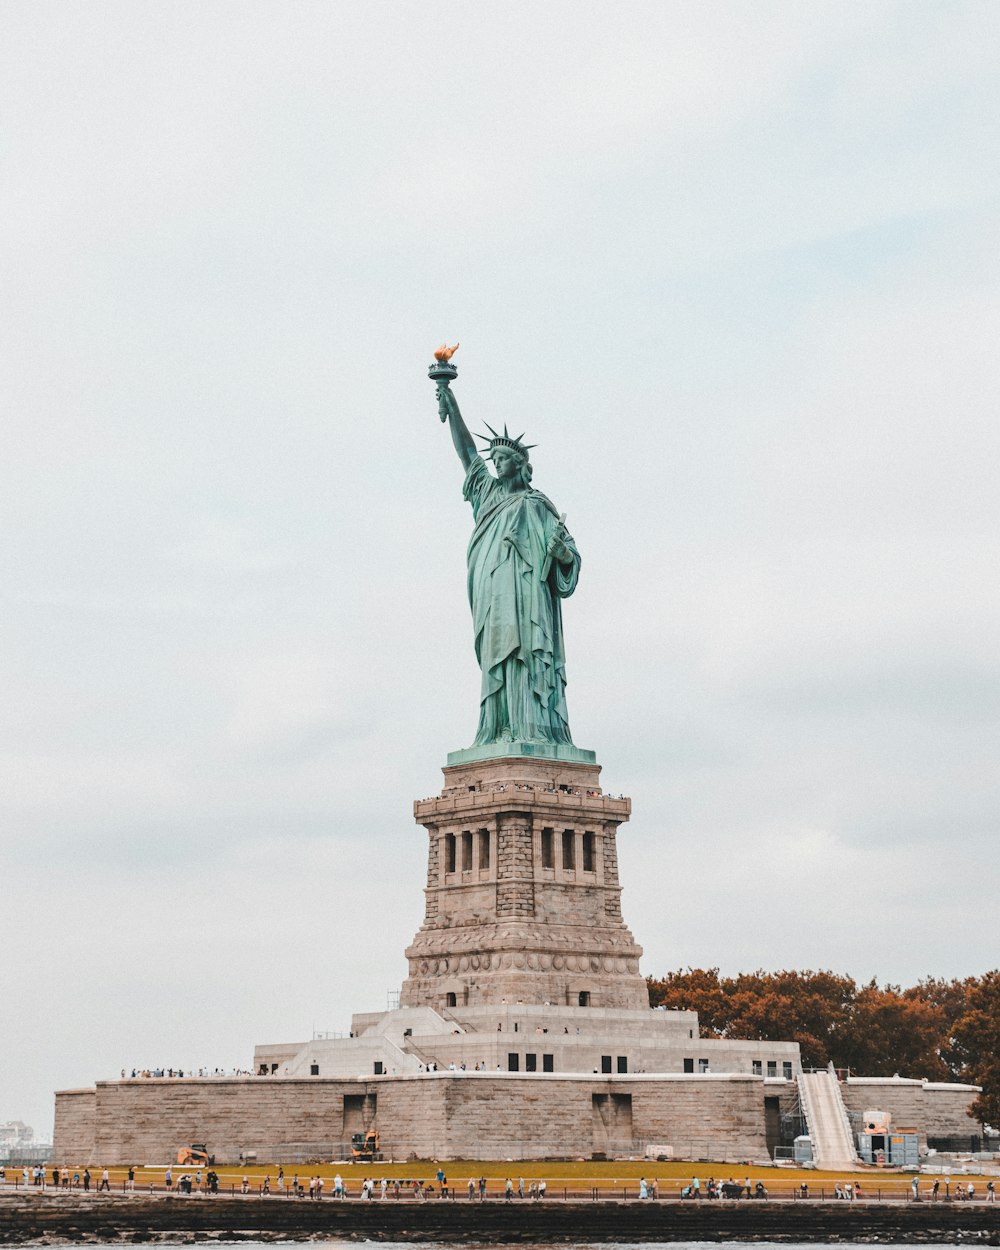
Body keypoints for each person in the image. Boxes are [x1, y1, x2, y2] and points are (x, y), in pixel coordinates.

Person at [436, 382, 581, 748]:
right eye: (494, 459)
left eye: (503, 459)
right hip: (494, 593)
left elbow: (569, 559)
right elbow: (467, 452)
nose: (496, 463)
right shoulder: (486, 493)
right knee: (498, 658)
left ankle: (534, 729)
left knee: (528, 656)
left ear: (520, 465)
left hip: (529, 596)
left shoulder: (537, 505)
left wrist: (563, 555)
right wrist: (451, 402)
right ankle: (498, 728)